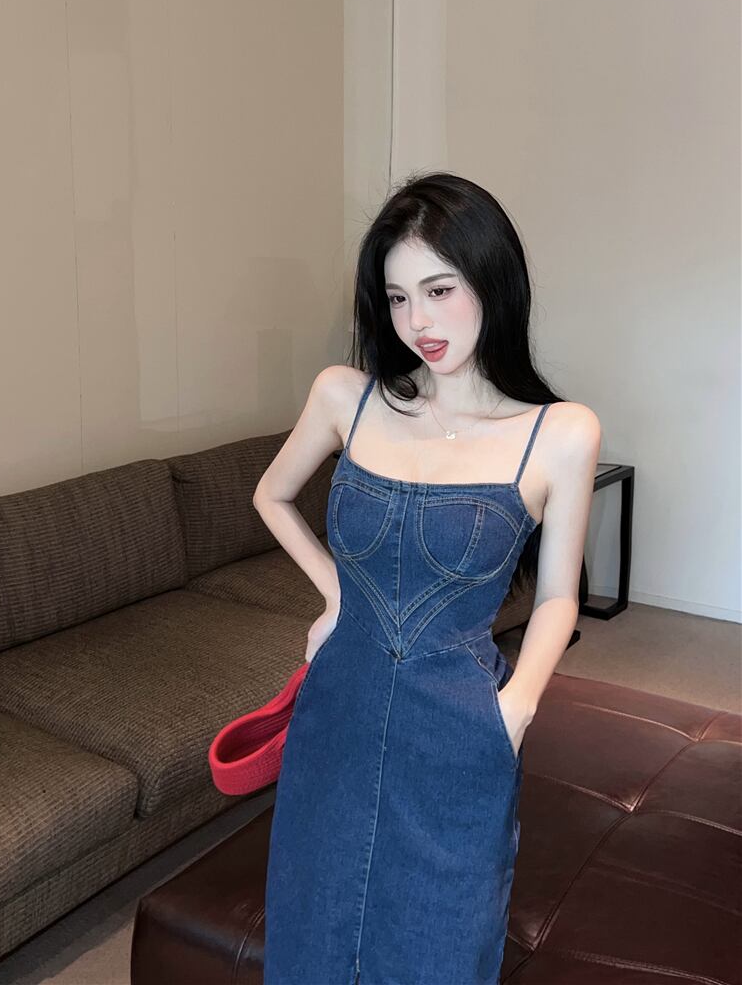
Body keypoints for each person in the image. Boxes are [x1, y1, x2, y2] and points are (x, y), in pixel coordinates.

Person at [253, 170, 602, 985]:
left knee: (441, 939)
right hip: (338, 705)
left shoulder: (559, 434)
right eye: (398, 298)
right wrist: (337, 592)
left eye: (439, 290)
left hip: (459, 720)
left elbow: (559, 596)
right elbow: (271, 495)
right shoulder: (346, 398)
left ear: (491, 278)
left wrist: (515, 708)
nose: (418, 322)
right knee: (312, 923)